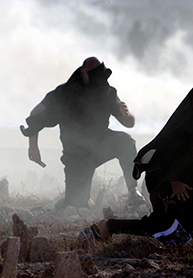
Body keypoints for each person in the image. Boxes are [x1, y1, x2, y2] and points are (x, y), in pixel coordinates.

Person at [93, 81, 193, 240]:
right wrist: (173, 181)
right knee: (162, 225)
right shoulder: (183, 124)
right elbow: (165, 154)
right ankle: (109, 226)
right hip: (163, 175)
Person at [23, 57, 145, 209]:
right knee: (77, 204)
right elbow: (35, 116)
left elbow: (129, 123)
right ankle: (70, 200)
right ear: (83, 73)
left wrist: (126, 114)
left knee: (126, 141)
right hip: (76, 155)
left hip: (101, 146)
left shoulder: (107, 91)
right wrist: (33, 146)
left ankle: (133, 192)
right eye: (92, 75)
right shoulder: (64, 93)